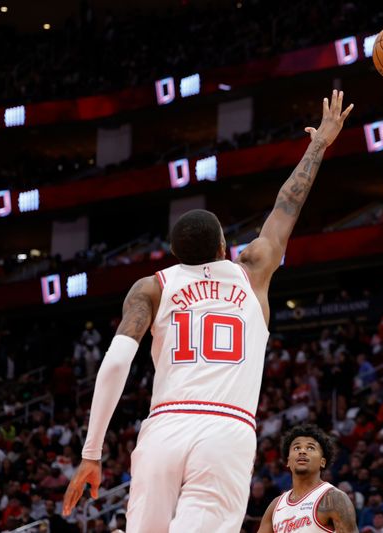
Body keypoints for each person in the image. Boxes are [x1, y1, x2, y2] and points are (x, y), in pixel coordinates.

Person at [61, 91, 354, 532]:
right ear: (222, 247)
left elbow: (117, 362)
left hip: (164, 425)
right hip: (226, 430)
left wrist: (91, 453)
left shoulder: (151, 287)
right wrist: (320, 143)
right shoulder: (252, 271)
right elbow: (287, 204)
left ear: (175, 255)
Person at [257, 424, 358, 533]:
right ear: (288, 462)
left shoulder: (334, 498)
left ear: (322, 462)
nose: (302, 451)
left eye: (310, 448)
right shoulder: (275, 506)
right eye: (296, 448)